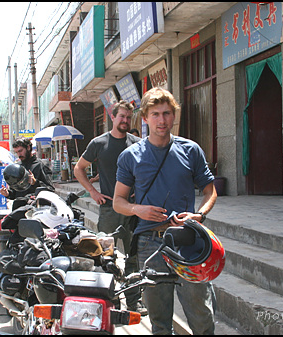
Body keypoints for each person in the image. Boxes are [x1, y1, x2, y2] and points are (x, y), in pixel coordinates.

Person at [113, 87, 218, 334]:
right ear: (146, 118)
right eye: (156, 114)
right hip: (150, 244)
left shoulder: (190, 150)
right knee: (160, 322)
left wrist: (199, 215)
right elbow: (118, 201)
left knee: (201, 316)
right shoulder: (130, 156)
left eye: (167, 113)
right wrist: (138, 209)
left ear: (174, 116)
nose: (162, 120)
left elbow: (210, 191)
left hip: (188, 242)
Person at [74, 100, 145, 315]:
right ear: (112, 117)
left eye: (128, 117)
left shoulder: (137, 143)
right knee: (106, 256)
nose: (124, 120)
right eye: (121, 116)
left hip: (133, 210)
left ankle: (134, 302)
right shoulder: (99, 143)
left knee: (134, 257)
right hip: (108, 210)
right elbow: (79, 169)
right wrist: (93, 192)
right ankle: (110, 300)